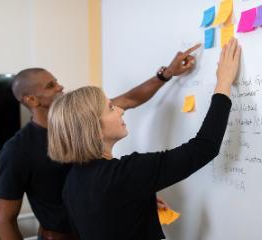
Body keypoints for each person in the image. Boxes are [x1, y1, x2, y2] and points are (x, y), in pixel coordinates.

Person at [0, 43, 200, 240]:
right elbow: (6, 219)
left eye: (56, 81)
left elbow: (130, 99)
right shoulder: (17, 151)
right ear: (31, 100)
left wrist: (165, 74)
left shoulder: (85, 118)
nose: (61, 87)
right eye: (51, 86)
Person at [47, 38, 241, 240]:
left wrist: (138, 201)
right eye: (111, 108)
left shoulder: (73, 180)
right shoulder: (124, 174)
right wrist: (223, 82)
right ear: (94, 130)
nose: (121, 110)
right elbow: (203, 148)